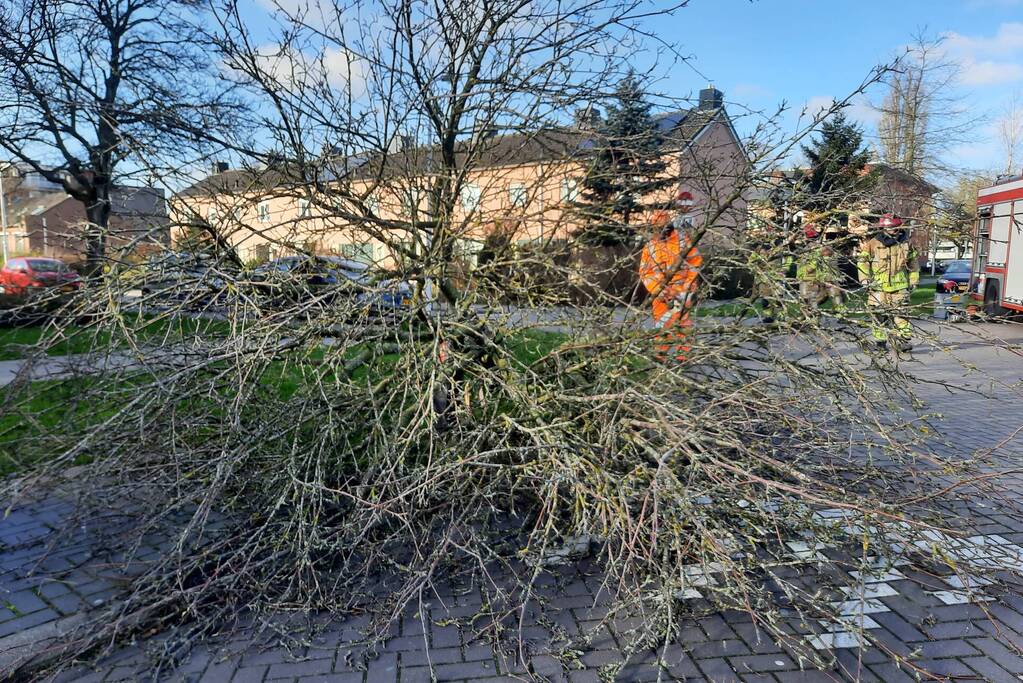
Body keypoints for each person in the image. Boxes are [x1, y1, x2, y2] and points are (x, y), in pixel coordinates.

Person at [639, 208, 702, 361]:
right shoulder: (651, 246)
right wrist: (658, 290)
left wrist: (687, 287)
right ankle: (660, 356)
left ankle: (683, 356)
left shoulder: (683, 241)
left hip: (682, 291)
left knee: (682, 322)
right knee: (661, 323)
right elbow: (645, 272)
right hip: (661, 293)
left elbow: (695, 262)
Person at [857, 213, 919, 351]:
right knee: (878, 315)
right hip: (878, 286)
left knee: (901, 314)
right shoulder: (873, 243)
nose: (890, 231)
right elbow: (862, 261)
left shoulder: (907, 243)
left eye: (893, 228)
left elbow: (913, 264)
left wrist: (913, 280)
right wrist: (865, 278)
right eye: (887, 228)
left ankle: (903, 341)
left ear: (898, 227)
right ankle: (880, 343)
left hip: (900, 286)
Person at [796, 222, 844, 312]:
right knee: (834, 295)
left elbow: (807, 268)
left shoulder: (813, 249)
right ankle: (841, 313)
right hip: (824, 278)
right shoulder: (825, 247)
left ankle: (812, 316)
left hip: (819, 278)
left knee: (810, 299)